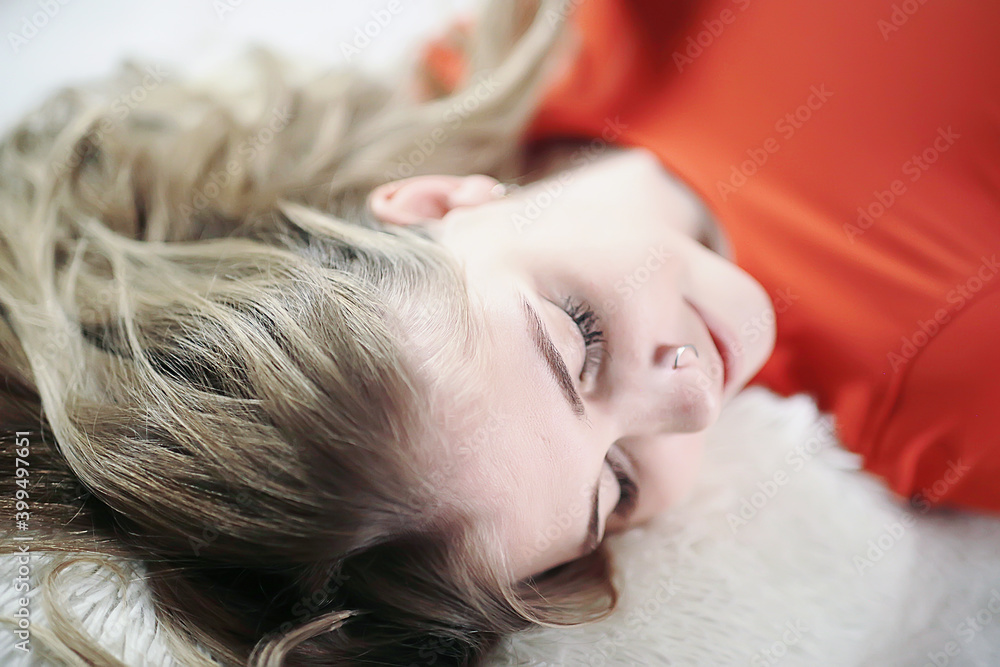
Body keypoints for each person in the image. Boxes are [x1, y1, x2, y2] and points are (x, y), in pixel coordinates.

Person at [0, 0, 995, 665]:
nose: (690, 395)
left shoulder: (556, 34)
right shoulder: (940, 405)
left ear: (436, 198)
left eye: (581, 340)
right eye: (618, 483)